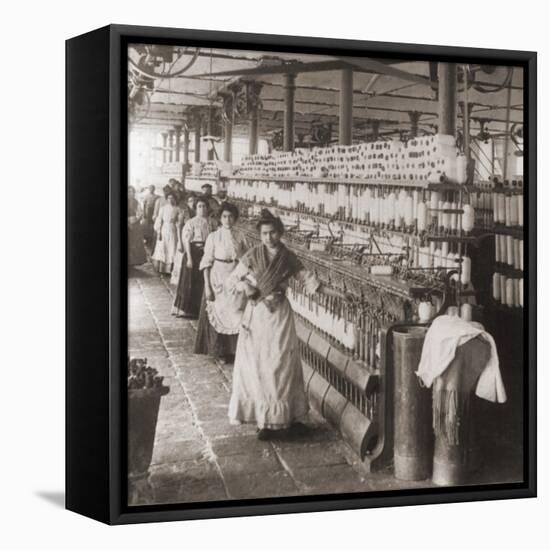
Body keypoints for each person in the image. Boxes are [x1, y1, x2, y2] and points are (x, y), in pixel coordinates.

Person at [226, 209, 350, 440]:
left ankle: (283, 421)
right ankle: (264, 420)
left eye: (273, 233)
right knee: (259, 366)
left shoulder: (289, 258)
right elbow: (232, 280)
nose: (268, 238)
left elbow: (312, 284)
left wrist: (341, 296)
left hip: (279, 317)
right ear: (260, 235)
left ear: (280, 233)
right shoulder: (252, 255)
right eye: (264, 234)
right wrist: (247, 287)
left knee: (280, 364)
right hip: (257, 316)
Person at [194, 203, 249, 363]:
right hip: (217, 275)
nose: (228, 220)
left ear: (235, 218)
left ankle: (234, 351)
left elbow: (247, 260)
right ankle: (220, 351)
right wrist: (207, 287)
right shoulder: (213, 237)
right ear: (220, 218)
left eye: (231, 216)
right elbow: (206, 263)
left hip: (235, 275)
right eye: (224, 216)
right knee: (218, 312)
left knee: (235, 313)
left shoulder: (240, 236)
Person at [171, 198, 213, 318]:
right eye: (199, 206)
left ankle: (201, 309)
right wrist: (189, 258)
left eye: (204, 206)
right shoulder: (191, 222)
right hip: (193, 252)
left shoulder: (211, 222)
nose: (202, 209)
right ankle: (187, 309)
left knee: (203, 280)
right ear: (195, 208)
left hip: (206, 252)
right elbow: (186, 241)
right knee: (190, 280)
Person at [170, 194, 197, 286]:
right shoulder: (183, 212)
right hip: (185, 237)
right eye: (190, 201)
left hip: (195, 239)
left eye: (194, 201)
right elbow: (179, 227)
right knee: (183, 258)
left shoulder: (198, 212)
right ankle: (181, 280)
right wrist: (180, 242)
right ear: (187, 202)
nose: (192, 203)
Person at [151, 192, 180, 274]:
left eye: (172, 198)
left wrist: (176, 221)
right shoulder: (163, 208)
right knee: (163, 247)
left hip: (173, 229)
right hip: (164, 229)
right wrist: (159, 232)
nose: (170, 200)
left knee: (172, 246)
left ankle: (170, 269)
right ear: (167, 199)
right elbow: (159, 220)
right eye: (169, 198)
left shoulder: (177, 209)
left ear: (175, 199)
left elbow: (180, 221)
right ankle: (161, 269)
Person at [128, 186, 146, 266]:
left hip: (135, 224)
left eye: (132, 192)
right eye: (129, 192)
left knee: (135, 241)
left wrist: (136, 220)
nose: (131, 194)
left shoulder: (136, 202)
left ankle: (134, 261)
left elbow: (140, 213)